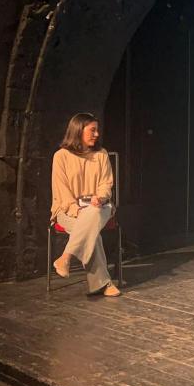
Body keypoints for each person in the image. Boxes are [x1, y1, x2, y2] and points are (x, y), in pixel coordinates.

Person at [50, 112, 121, 297]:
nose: (97, 134)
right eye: (92, 130)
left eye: (97, 130)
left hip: (100, 206)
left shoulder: (101, 154)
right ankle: (103, 284)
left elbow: (106, 184)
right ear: (78, 130)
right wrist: (77, 210)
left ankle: (66, 257)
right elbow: (61, 191)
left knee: (93, 214)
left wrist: (101, 198)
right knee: (91, 229)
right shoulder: (61, 156)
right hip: (67, 210)